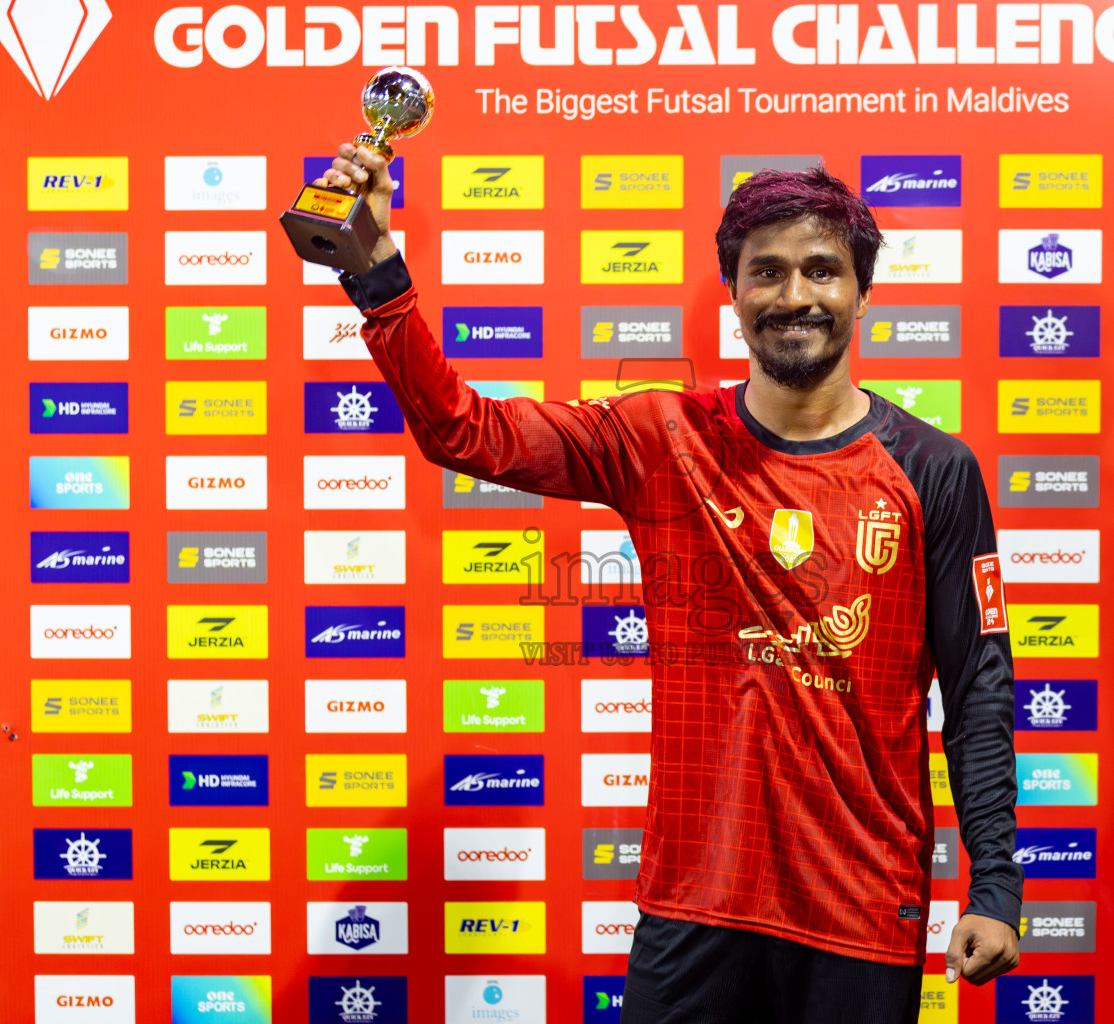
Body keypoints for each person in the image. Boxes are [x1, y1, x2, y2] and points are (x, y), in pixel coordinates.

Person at [319, 147, 1022, 1023]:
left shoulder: (935, 470)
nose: (794, 295)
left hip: (862, 906)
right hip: (696, 902)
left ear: (863, 292)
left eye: (821, 271)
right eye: (765, 272)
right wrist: (381, 277)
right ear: (733, 296)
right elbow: (467, 432)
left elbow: (980, 688)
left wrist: (993, 883)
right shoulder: (664, 434)